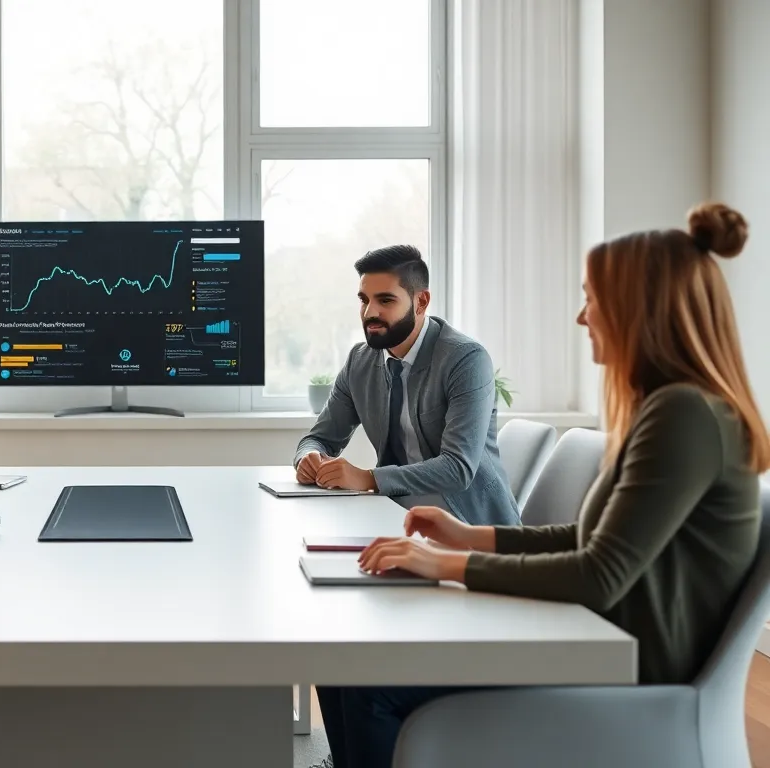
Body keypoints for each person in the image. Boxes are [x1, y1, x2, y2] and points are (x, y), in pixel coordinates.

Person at [319, 203, 770, 768]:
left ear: (641, 308)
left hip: (619, 663)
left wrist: (443, 564)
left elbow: (598, 573)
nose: (584, 317)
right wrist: (468, 536)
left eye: (593, 298)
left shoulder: (683, 415)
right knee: (347, 667)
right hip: (596, 638)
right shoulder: (675, 409)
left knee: (366, 687)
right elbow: (590, 539)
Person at [293, 245, 519, 527]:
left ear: (421, 302)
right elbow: (320, 438)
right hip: (396, 517)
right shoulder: (359, 362)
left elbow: (458, 468)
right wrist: (308, 457)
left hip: (472, 530)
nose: (369, 313)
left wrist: (368, 478)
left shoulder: (466, 360)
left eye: (385, 301)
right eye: (364, 300)